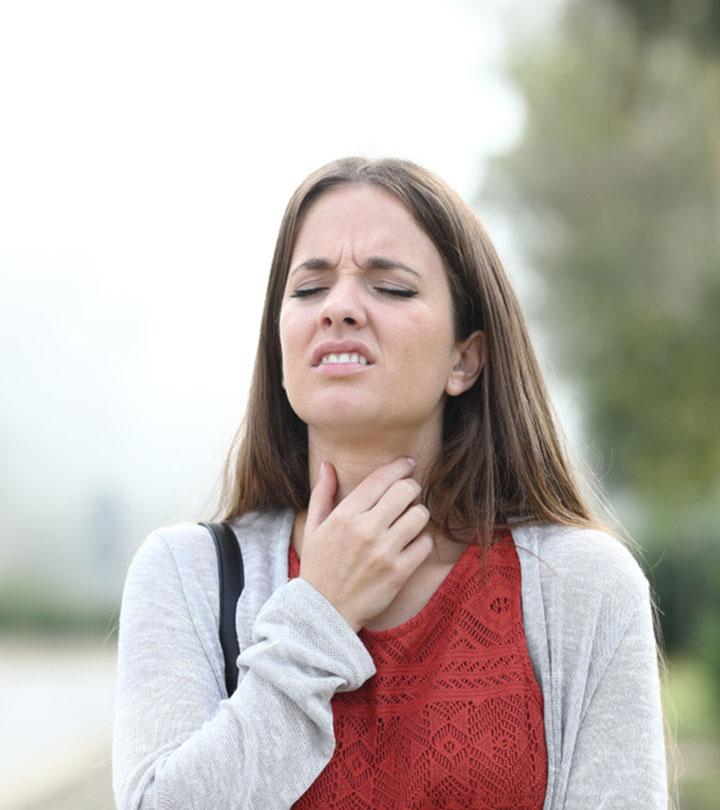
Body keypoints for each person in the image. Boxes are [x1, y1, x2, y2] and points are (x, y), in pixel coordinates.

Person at [112, 156, 669, 809]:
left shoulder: (581, 585)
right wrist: (318, 614)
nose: (340, 308)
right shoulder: (185, 576)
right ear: (280, 345)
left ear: (465, 358)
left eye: (392, 288)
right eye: (309, 288)